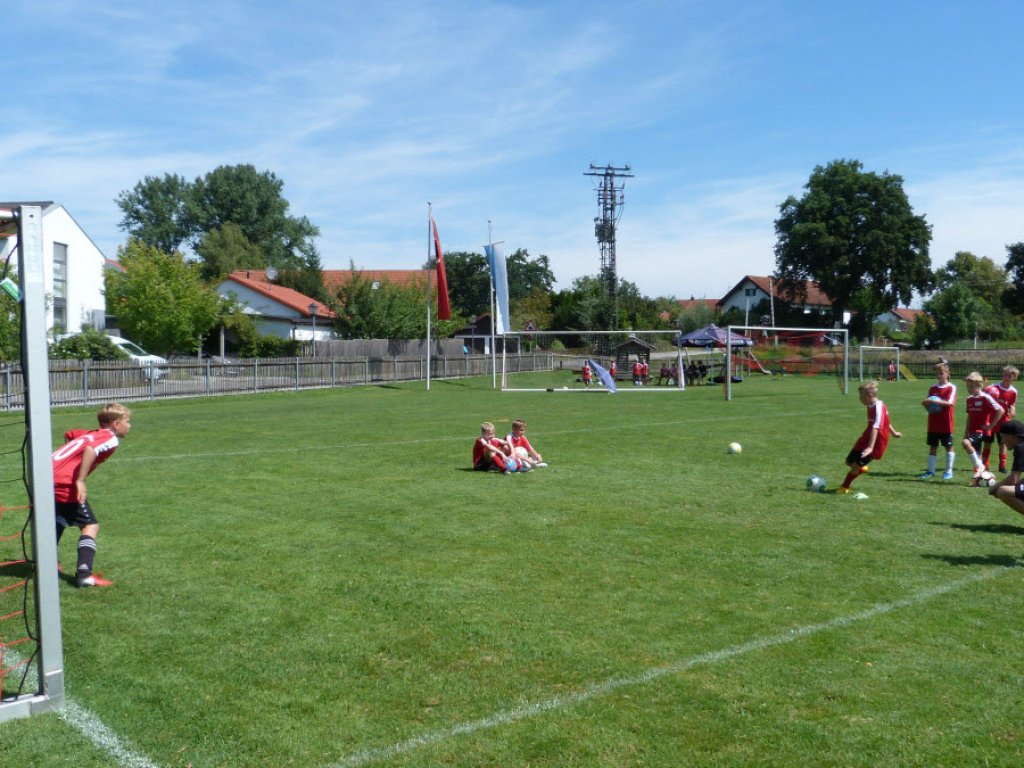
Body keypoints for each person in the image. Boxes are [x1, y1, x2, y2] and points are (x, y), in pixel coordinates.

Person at [52, 402, 132, 588]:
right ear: (115, 424)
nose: (130, 425)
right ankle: (84, 575)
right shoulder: (110, 438)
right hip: (64, 483)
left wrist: (70, 462)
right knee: (90, 526)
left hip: (46, 476)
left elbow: (70, 434)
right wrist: (80, 479)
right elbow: (90, 449)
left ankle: (47, 563)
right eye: (127, 421)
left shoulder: (92, 433)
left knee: (62, 516)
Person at [835, 381, 901, 494]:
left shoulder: (879, 407)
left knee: (855, 465)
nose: (860, 399)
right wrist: (894, 432)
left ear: (869, 396)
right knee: (849, 461)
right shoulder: (870, 405)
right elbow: (886, 421)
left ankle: (845, 487)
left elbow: (877, 425)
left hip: (877, 441)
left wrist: (870, 447)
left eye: (861, 397)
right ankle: (861, 469)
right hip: (867, 436)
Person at [961, 371, 1004, 480]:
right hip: (972, 430)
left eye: (971, 386)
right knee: (976, 452)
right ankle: (979, 475)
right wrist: (966, 432)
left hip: (982, 431)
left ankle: (980, 467)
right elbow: (969, 417)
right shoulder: (969, 399)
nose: (969, 388)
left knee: (965, 443)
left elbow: (1000, 410)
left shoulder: (985, 398)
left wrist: (990, 426)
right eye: (968, 386)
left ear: (979, 385)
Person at [919, 362, 957, 480]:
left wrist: (934, 401)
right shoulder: (932, 388)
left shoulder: (951, 387)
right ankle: (930, 471)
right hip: (933, 423)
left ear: (947, 374)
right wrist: (926, 404)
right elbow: (929, 407)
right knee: (933, 446)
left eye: (941, 373)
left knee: (948, 446)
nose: (939, 375)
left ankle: (948, 471)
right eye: (937, 373)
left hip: (946, 423)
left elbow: (949, 403)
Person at [983, 365, 1019, 472]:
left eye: (1009, 375)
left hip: (1004, 421)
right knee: (987, 442)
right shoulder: (992, 388)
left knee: (1003, 443)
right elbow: (983, 395)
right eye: (1005, 374)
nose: (1006, 377)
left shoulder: (1013, 391)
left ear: (1014, 378)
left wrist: (1013, 409)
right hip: (991, 420)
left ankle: (1002, 466)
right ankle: (985, 464)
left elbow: (1012, 404)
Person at [990, 420, 1024, 516]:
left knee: (1003, 491)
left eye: (1003, 437)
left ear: (1013, 436)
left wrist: (994, 487)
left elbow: (1013, 480)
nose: (1002, 442)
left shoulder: (1020, 447)